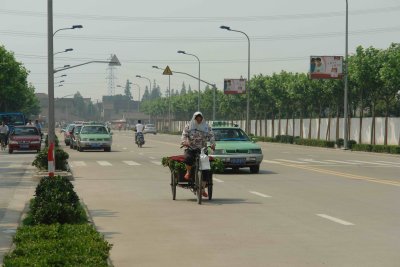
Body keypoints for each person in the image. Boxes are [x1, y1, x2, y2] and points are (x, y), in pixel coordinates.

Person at [181, 111, 216, 197]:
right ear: (194, 118)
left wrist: (212, 144)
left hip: (202, 149)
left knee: (206, 170)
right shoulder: (188, 126)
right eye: (197, 118)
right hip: (191, 148)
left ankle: (202, 189)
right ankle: (188, 172)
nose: (199, 120)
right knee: (187, 159)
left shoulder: (206, 127)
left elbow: (211, 136)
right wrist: (184, 142)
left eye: (200, 118)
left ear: (202, 118)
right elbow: (184, 135)